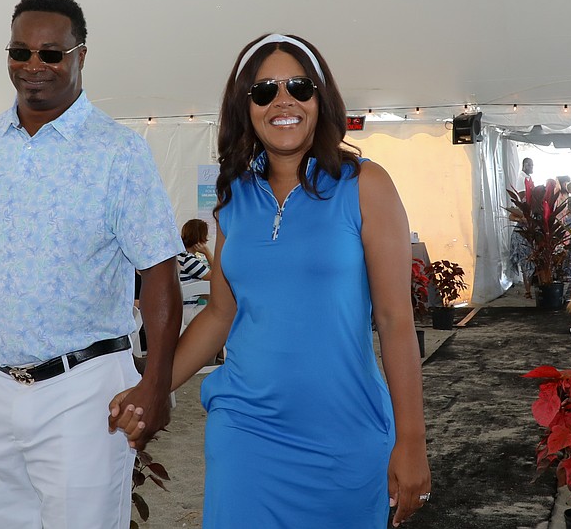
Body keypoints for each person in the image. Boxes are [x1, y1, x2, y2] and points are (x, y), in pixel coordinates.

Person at [0, 0, 182, 528]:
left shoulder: (118, 152)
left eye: (51, 53)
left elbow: (159, 273)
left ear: (81, 56)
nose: (33, 66)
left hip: (85, 389)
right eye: (20, 52)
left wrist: (156, 383)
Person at [111, 34, 431, 528]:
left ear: (321, 100)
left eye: (299, 87)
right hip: (245, 433)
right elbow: (221, 314)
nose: (283, 100)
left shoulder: (366, 185)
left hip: (345, 436)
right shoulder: (233, 199)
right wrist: (150, 387)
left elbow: (394, 321)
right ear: (247, 107)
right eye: (264, 91)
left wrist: (411, 441)